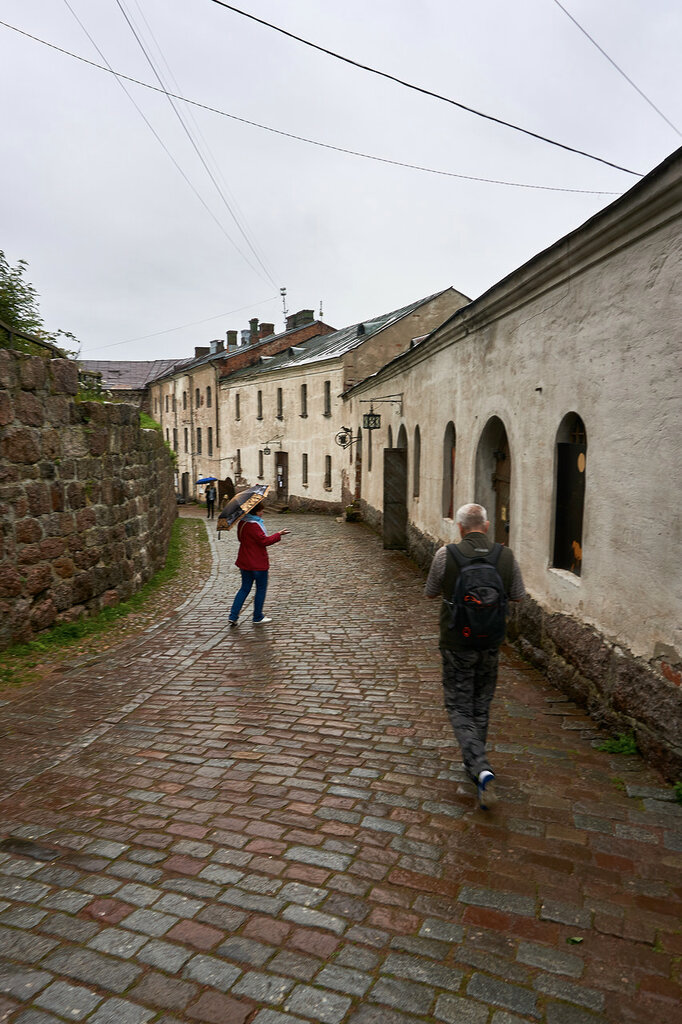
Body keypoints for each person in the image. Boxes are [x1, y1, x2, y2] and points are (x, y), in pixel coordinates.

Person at [425, 503, 525, 809]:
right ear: (487, 524)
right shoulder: (506, 556)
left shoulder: (446, 554)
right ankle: (474, 765)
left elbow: (430, 592)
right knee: (481, 703)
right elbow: (518, 595)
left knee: (458, 705)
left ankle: (479, 765)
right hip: (490, 642)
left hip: (457, 642)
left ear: (460, 527)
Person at [228, 502, 289, 626]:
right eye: (261, 511)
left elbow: (241, 539)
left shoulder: (242, 523)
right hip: (257, 562)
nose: (262, 513)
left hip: (244, 561)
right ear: (255, 512)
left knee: (244, 588)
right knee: (260, 589)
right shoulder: (254, 525)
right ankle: (257, 616)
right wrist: (279, 534)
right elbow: (264, 541)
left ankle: (233, 616)